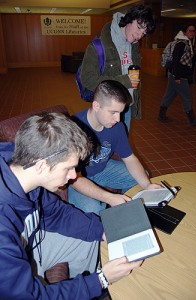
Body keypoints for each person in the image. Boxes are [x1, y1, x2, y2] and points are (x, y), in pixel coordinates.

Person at [0, 112, 142, 299]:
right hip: (13, 271)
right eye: (68, 168)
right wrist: (101, 280)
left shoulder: (23, 168)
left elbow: (57, 214)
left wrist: (103, 230)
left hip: (29, 241)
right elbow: (31, 296)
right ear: (41, 165)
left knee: (89, 239)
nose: (74, 176)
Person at [68, 80, 161, 215]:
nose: (118, 119)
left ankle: (124, 213)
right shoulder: (73, 129)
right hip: (76, 179)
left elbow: (130, 159)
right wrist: (110, 198)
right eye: (113, 112)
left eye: (120, 112)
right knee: (93, 210)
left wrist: (147, 185)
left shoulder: (116, 126)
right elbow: (74, 178)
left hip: (102, 170)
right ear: (96, 106)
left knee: (143, 178)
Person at [79, 4, 155, 131]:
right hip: (106, 110)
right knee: (105, 148)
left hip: (126, 107)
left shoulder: (134, 46)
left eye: (144, 33)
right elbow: (87, 79)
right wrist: (125, 80)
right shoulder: (99, 46)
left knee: (121, 145)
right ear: (129, 19)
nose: (139, 35)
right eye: (139, 27)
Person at [158, 24, 196, 125]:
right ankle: (192, 120)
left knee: (169, 95)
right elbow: (176, 61)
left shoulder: (187, 43)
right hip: (179, 76)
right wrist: (177, 77)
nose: (192, 33)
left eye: (193, 31)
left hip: (174, 75)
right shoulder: (181, 43)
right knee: (187, 97)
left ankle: (161, 115)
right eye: (190, 31)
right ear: (185, 32)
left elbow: (192, 58)